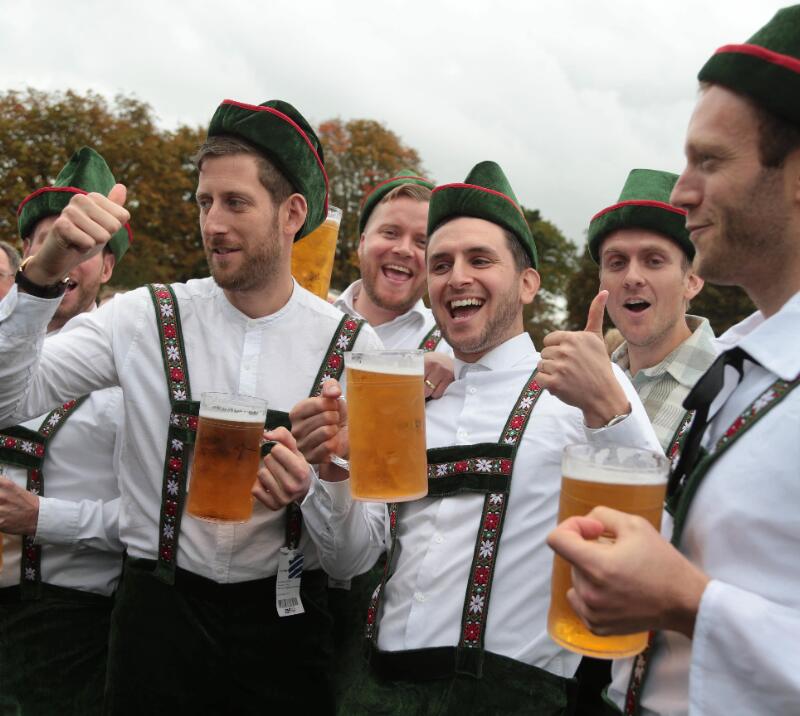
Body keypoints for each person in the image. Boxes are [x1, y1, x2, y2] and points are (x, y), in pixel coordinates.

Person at [0, 98, 381, 714]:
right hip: (157, 621)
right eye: (205, 203)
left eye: (235, 203)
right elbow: (6, 400)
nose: (212, 223)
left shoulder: (355, 348)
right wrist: (38, 280)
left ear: (292, 214)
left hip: (284, 630)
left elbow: (356, 557)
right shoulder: (144, 316)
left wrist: (322, 486)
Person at [292, 161, 660, 715]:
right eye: (440, 264)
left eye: (480, 260)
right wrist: (334, 470)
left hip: (511, 698)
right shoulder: (408, 397)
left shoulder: (585, 391)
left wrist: (608, 409)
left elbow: (657, 539)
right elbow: (349, 561)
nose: (455, 276)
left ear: (529, 282)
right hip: (375, 691)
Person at [548, 7, 800, 714]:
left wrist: (691, 603)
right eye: (615, 260)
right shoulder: (748, 368)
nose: (682, 193)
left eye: (710, 161)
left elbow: (686, 589)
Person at [0, 147, 130, 715]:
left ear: (107, 268)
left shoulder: (135, 371)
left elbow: (155, 518)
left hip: (70, 628)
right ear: (30, 254)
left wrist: (42, 518)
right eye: (53, 241)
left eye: (87, 248)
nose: (68, 256)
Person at [326, 171, 454, 697]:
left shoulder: (450, 351)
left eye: (424, 242)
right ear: (360, 242)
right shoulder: (307, 318)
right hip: (269, 577)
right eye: (389, 233)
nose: (404, 250)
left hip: (380, 599)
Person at [588, 168, 717, 451]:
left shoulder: (732, 389)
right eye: (617, 262)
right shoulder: (578, 386)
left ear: (692, 281)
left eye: (654, 260)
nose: (632, 277)